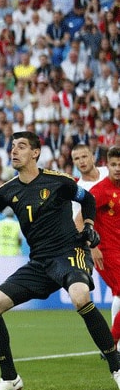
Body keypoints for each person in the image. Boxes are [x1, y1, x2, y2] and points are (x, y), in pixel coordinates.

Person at [0, 131, 120, 390]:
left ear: (35, 153)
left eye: (21, 146)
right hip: (39, 262)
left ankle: (116, 367)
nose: (14, 151)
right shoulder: (9, 190)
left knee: (80, 297)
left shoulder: (58, 181)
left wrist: (89, 226)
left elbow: (87, 200)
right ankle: (9, 378)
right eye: (12, 147)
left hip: (69, 252)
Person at [88, 147, 120, 344]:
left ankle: (112, 346)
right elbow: (80, 219)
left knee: (118, 294)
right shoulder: (100, 191)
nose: (118, 168)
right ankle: (111, 343)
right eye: (114, 164)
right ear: (107, 165)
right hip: (106, 252)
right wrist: (92, 247)